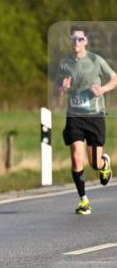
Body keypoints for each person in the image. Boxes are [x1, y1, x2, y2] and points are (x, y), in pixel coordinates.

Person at [56, 25, 115, 215]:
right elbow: (57, 89)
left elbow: (114, 79)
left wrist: (103, 90)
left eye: (80, 39)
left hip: (95, 116)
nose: (76, 42)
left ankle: (104, 164)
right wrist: (62, 87)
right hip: (74, 116)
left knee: (94, 163)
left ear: (86, 41)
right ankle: (84, 200)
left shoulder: (96, 60)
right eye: (73, 38)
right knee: (75, 155)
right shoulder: (65, 64)